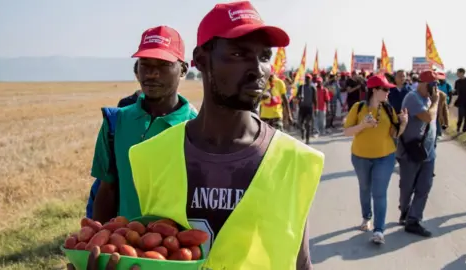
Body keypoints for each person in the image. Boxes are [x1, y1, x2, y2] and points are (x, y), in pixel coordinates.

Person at [74, 2, 325, 270]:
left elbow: (301, 261)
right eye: (239, 53)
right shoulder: (149, 157)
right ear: (202, 59)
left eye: (264, 56)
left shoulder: (297, 161)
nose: (257, 69)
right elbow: (140, 252)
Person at [90, 26, 198, 223]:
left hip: (178, 249)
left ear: (183, 70)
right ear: (136, 70)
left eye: (163, 65)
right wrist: (99, 242)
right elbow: (107, 189)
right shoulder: (116, 122)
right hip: (125, 248)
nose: (152, 74)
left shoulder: (197, 127)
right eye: (145, 64)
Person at [343, 74, 408, 245]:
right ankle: (367, 217)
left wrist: (403, 124)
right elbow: (347, 132)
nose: (388, 92)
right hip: (360, 157)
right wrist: (363, 125)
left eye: (388, 89)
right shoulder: (358, 108)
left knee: (379, 193)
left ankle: (379, 230)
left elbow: (395, 134)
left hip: (385, 158)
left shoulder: (388, 109)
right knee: (365, 188)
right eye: (385, 89)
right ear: (374, 90)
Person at [397, 70, 439, 237]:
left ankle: (413, 220)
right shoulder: (412, 98)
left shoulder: (428, 98)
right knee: (407, 187)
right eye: (433, 85)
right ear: (423, 84)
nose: (436, 89)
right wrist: (436, 102)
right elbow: (428, 117)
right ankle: (405, 210)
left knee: (424, 186)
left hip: (428, 153)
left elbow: (434, 122)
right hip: (410, 152)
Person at [296, 74, 317, 143]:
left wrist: (316, 109)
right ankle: (302, 131)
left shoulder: (313, 88)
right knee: (300, 122)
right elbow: (297, 96)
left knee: (308, 124)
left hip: (309, 108)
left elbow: (315, 99)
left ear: (311, 79)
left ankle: (307, 139)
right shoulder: (301, 87)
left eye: (309, 78)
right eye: (306, 78)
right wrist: (299, 98)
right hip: (302, 107)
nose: (307, 80)